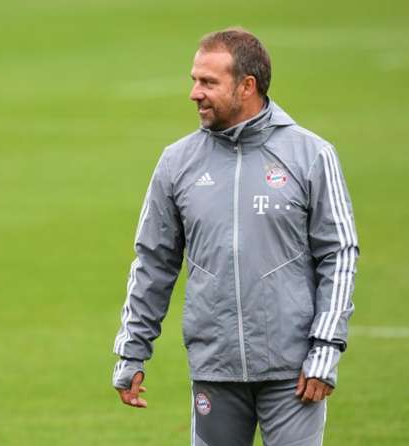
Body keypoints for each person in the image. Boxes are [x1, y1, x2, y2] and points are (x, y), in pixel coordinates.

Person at [112, 28, 358, 445]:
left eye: (208, 82)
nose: (194, 92)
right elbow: (153, 262)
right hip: (215, 368)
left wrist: (325, 348)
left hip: (294, 372)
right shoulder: (177, 162)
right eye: (194, 79)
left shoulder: (311, 154)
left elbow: (340, 255)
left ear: (247, 86)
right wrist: (132, 351)